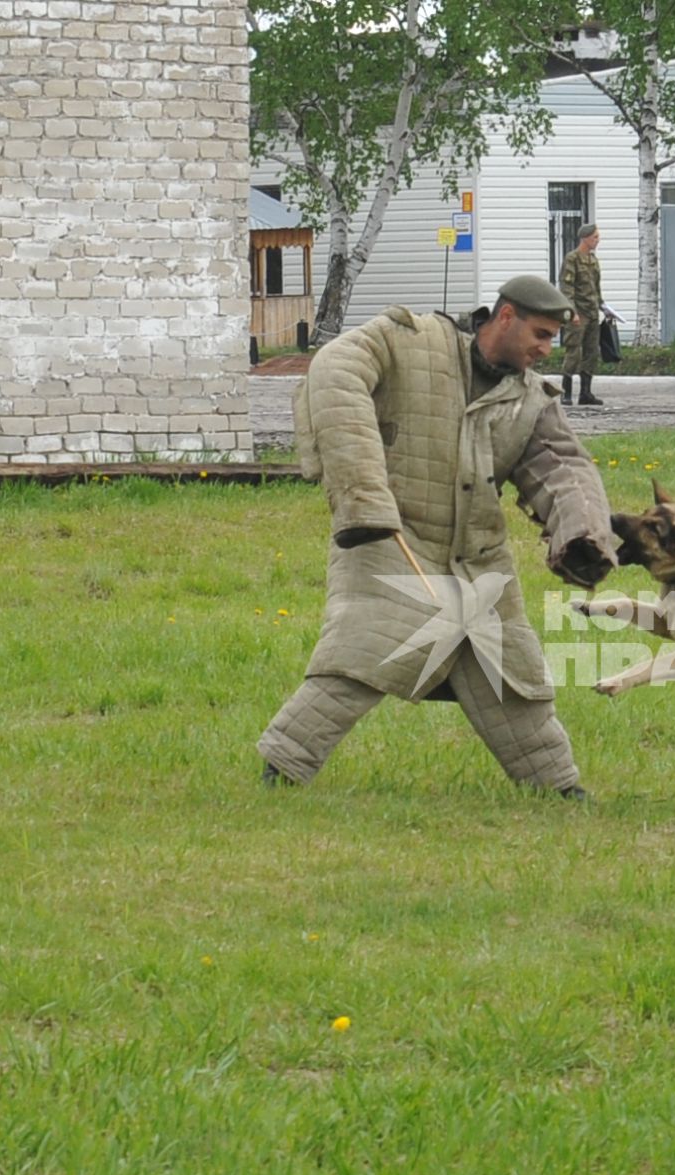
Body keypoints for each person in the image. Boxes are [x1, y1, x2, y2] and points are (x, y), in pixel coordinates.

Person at [258, 275, 619, 800]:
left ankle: (559, 789)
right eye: (540, 334)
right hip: (388, 534)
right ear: (505, 317)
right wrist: (363, 493)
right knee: (365, 651)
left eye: (552, 340)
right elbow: (334, 372)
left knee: (512, 673)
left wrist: (584, 534)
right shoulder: (406, 339)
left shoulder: (531, 399)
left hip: (478, 556)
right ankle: (283, 767)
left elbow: (564, 469)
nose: (546, 350)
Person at [559, 224, 604, 406]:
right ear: (585, 238)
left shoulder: (593, 260)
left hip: (592, 312)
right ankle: (566, 392)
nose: (597, 240)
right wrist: (572, 312)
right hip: (578, 313)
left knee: (591, 352)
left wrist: (603, 307)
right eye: (594, 237)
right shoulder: (572, 259)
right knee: (573, 352)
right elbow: (567, 289)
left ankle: (586, 392)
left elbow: (596, 288)